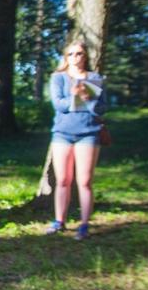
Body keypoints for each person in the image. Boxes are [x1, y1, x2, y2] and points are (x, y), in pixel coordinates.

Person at [46, 41, 107, 240]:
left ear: (85, 56)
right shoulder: (58, 78)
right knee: (63, 180)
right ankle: (59, 221)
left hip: (88, 133)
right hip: (62, 133)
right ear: (66, 57)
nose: (75, 57)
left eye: (79, 53)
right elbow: (58, 105)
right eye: (71, 54)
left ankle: (84, 224)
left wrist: (86, 98)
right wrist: (75, 99)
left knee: (85, 181)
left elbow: (99, 109)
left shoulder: (95, 78)